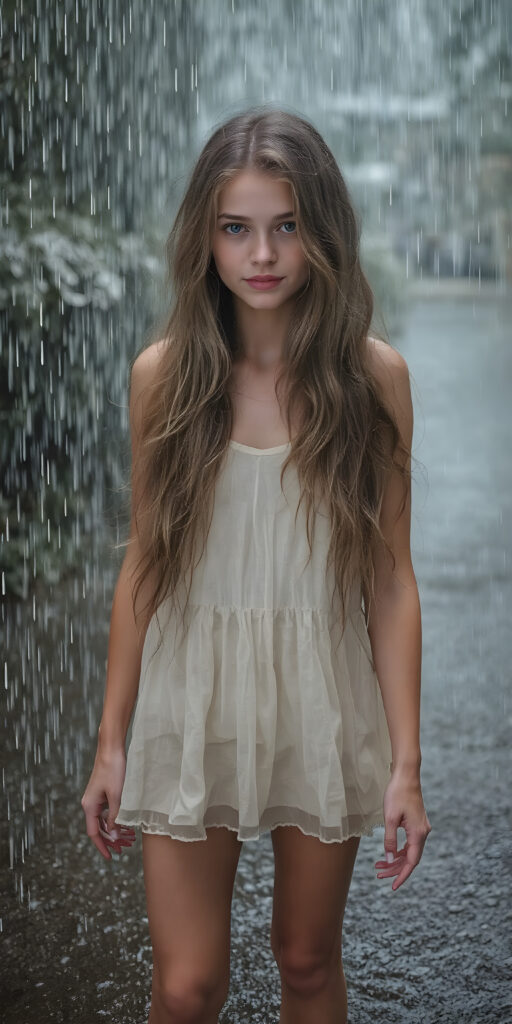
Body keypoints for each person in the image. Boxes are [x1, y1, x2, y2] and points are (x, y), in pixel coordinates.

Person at [81, 106, 431, 1024]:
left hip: (321, 695)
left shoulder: (373, 379)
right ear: (206, 235)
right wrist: (112, 742)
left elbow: (390, 582)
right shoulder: (165, 376)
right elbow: (146, 567)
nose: (263, 254)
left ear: (323, 234)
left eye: (286, 227)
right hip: (193, 695)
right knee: (186, 986)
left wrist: (407, 765)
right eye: (237, 228)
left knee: (306, 963)